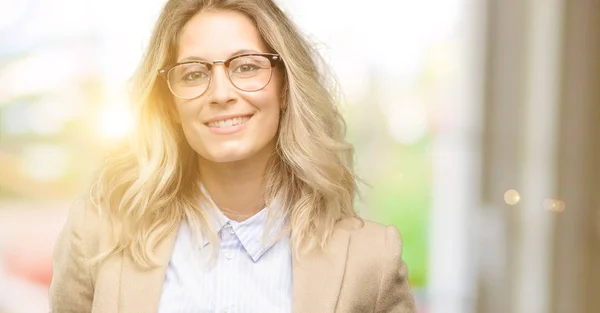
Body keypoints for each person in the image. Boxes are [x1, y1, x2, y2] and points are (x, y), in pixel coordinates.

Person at [49, 0, 415, 312]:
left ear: (285, 87)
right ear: (171, 104)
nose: (221, 93)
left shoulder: (372, 257)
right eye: (193, 74)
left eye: (246, 66)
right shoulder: (96, 235)